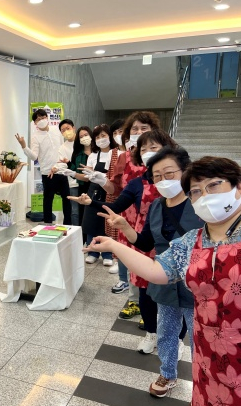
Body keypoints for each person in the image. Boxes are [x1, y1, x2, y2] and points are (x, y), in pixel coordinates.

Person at [85, 157, 241, 406]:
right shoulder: (192, 240)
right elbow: (157, 269)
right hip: (209, 363)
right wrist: (113, 246)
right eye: (196, 191)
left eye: (213, 185)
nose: (205, 196)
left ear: (239, 187)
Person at [99, 146, 200, 398]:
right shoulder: (156, 206)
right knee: (166, 332)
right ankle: (168, 373)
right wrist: (125, 226)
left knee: (201, 340)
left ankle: (202, 388)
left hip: (196, 283)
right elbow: (145, 243)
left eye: (170, 173)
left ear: (185, 171)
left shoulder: (200, 204)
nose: (164, 180)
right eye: (157, 176)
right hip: (164, 280)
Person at [69, 129, 177, 353]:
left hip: (175, 244)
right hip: (144, 238)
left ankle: (174, 338)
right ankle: (151, 333)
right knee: (145, 290)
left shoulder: (182, 180)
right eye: (144, 149)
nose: (148, 152)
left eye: (154, 147)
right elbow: (117, 206)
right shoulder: (137, 183)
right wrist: (90, 203)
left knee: (174, 295)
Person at [15, 109, 72, 225]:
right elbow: (34, 156)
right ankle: (48, 225)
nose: (41, 120)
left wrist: (65, 164)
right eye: (38, 119)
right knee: (48, 200)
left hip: (61, 170)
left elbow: (63, 148)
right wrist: (24, 146)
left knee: (67, 199)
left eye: (42, 117)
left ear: (47, 117)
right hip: (47, 172)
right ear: (35, 123)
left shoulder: (57, 130)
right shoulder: (35, 137)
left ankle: (68, 225)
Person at [77, 124, 118, 266]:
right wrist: (75, 174)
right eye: (98, 137)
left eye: (103, 136)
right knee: (91, 221)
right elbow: (87, 176)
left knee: (106, 222)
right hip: (94, 191)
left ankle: (107, 254)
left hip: (109, 191)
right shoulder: (93, 155)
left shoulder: (115, 154)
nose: (101, 139)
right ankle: (92, 252)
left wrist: (102, 176)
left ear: (110, 136)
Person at [58, 119, 80, 226]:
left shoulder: (82, 142)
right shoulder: (62, 148)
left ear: (73, 128)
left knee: (87, 209)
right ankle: (77, 233)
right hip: (73, 183)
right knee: (74, 211)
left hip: (86, 181)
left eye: (68, 128)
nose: (66, 131)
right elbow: (61, 165)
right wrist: (56, 167)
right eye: (63, 130)